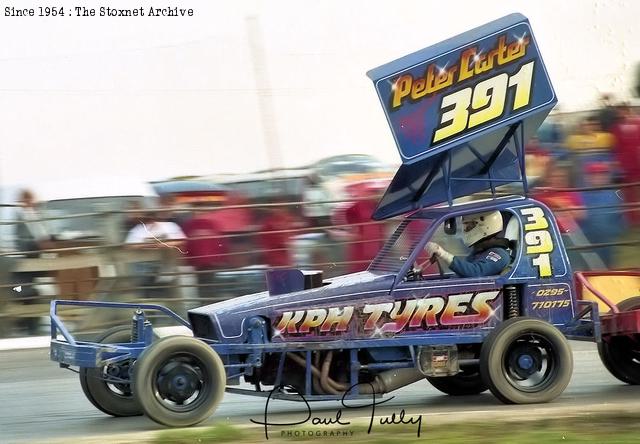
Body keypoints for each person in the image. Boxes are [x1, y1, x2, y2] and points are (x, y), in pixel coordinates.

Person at [426, 211, 510, 278]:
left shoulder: (499, 254)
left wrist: (444, 254)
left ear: (485, 226)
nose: (465, 229)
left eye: (469, 226)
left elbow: (475, 272)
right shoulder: (480, 251)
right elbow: (463, 271)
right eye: (465, 226)